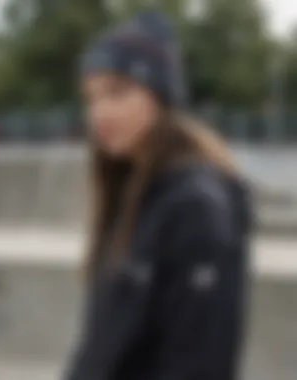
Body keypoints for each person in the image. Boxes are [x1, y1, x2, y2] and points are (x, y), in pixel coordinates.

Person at [65, 10, 252, 380]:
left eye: (117, 92)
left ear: (159, 98)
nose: (99, 112)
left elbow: (199, 361)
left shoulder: (196, 206)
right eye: (91, 98)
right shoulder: (131, 190)